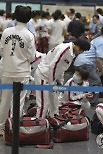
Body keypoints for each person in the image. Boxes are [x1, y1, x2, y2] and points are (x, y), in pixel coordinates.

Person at [0, 5, 36, 135]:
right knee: (19, 102)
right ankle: (13, 129)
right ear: (29, 18)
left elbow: (1, 51)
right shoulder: (30, 35)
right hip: (22, 72)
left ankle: (1, 127)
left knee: (4, 100)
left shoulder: (6, 32)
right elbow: (32, 57)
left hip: (6, 70)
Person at [34, 37, 90, 119]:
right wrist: (52, 83)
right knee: (43, 104)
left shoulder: (71, 52)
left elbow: (61, 68)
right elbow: (53, 66)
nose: (81, 53)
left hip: (52, 78)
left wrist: (60, 82)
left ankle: (52, 121)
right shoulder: (65, 50)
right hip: (44, 76)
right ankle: (39, 125)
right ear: (77, 46)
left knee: (54, 103)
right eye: (82, 50)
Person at [74, 25, 103, 106]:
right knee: (96, 82)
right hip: (86, 63)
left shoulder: (97, 39)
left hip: (79, 62)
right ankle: (92, 101)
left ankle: (80, 98)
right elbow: (99, 60)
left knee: (83, 81)